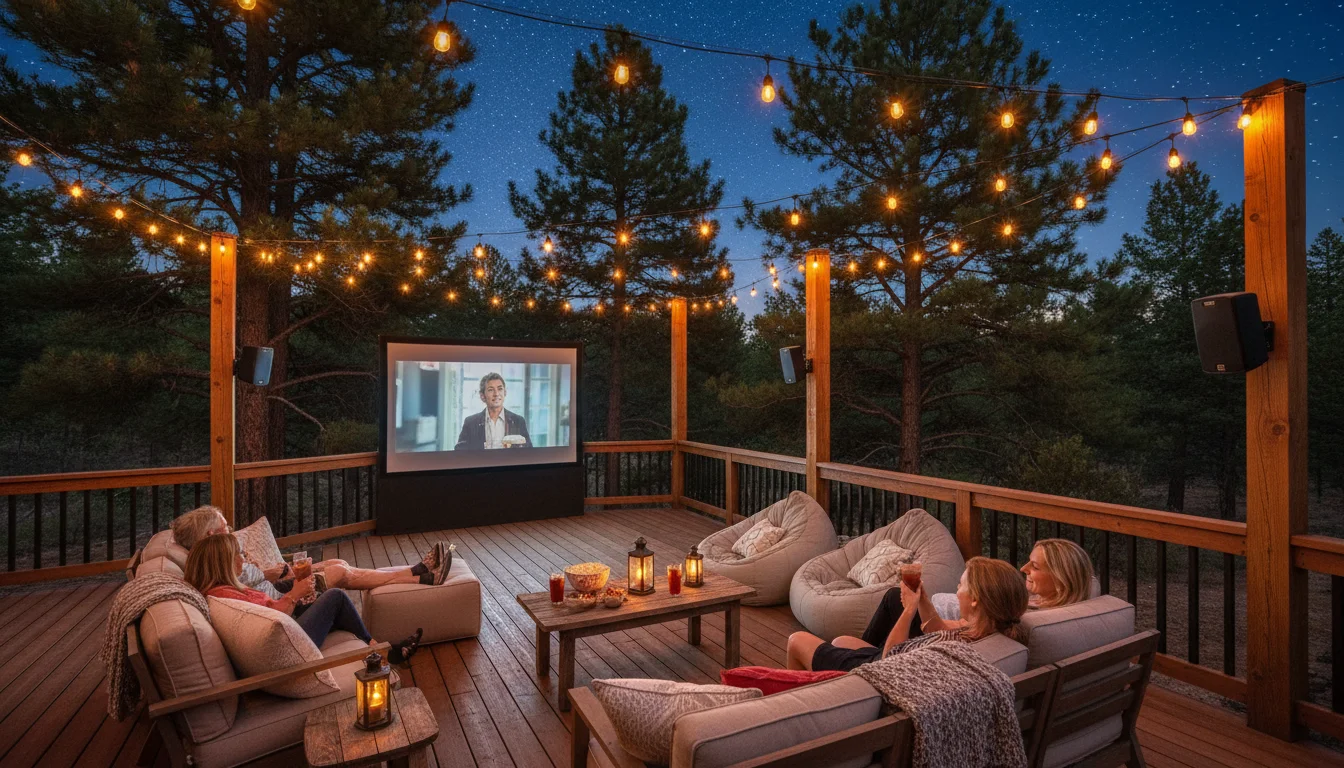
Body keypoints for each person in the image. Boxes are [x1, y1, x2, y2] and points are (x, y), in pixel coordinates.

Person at [184, 533, 425, 658]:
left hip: (285, 625)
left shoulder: (222, 591)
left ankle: (381, 648)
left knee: (337, 578)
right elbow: (273, 622)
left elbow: (268, 612)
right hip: (289, 639)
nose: (243, 559)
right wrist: (294, 595)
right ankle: (412, 578)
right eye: (239, 555)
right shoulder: (226, 596)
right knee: (335, 597)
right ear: (223, 563)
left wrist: (293, 593)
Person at [787, 557, 1029, 672]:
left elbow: (888, 661)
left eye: (960, 585)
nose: (957, 591)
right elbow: (939, 628)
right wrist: (922, 599)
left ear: (975, 599)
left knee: (796, 640)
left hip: (879, 673)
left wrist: (910, 609)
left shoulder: (952, 646)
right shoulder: (987, 631)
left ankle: (804, 693)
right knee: (841, 641)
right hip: (899, 663)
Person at [171, 506, 452, 592]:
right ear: (210, 535)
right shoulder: (215, 565)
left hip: (281, 584)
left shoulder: (210, 560)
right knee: (341, 571)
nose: (231, 531)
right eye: (226, 528)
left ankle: (419, 574)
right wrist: (270, 572)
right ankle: (419, 574)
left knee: (340, 564)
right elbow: (248, 586)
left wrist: (272, 570)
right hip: (284, 594)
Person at [455, 372, 530, 450]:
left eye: (500, 389)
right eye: (491, 390)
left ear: (505, 392)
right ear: (482, 396)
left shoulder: (518, 421)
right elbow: (459, 452)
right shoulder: (471, 423)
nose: (496, 394)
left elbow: (528, 452)